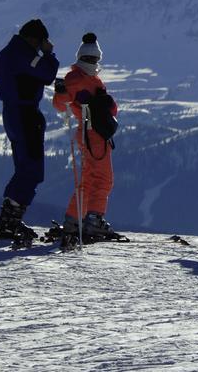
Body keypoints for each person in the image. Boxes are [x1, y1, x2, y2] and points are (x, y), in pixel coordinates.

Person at [0, 18, 59, 240]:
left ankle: (9, 221)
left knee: (24, 168)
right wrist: (49, 54)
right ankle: (9, 222)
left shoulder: (8, 53)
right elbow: (47, 74)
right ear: (33, 38)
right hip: (25, 115)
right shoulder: (23, 54)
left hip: (12, 114)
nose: (40, 47)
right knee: (32, 170)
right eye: (40, 43)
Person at [53, 32, 119, 242]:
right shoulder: (82, 79)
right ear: (81, 58)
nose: (93, 62)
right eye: (90, 59)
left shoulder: (87, 79)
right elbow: (59, 103)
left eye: (95, 59)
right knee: (102, 178)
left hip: (92, 132)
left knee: (91, 178)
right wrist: (62, 93)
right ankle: (92, 219)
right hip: (93, 134)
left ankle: (76, 219)